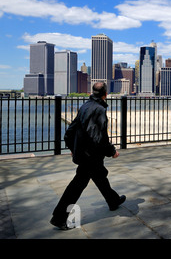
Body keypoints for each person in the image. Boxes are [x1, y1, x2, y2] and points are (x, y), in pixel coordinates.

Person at [50, 82, 126, 230]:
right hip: (91, 155)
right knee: (77, 186)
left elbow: (70, 131)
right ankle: (59, 218)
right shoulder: (99, 110)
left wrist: (73, 148)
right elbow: (100, 138)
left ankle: (113, 201)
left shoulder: (85, 106)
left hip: (85, 153)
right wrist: (112, 151)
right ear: (105, 95)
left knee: (100, 177)